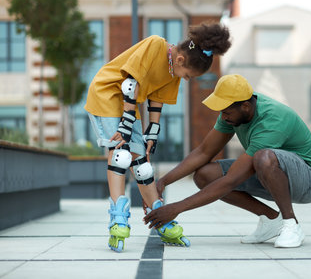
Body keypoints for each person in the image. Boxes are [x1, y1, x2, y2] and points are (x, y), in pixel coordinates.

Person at [84, 22, 231, 252]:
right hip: (108, 92)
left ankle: (158, 215)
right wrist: (125, 124)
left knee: (142, 165)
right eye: (188, 75)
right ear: (181, 60)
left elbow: (157, 99)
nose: (185, 79)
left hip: (129, 105)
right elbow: (130, 85)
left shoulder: (174, 69)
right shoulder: (155, 45)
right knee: (121, 154)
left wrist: (152, 131)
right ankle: (118, 218)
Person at [144, 74, 311, 248]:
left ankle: (291, 224)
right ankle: (272, 220)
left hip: (310, 181)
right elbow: (203, 152)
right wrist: (163, 182)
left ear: (246, 107)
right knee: (205, 175)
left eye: (226, 112)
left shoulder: (273, 119)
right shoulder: (235, 113)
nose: (223, 117)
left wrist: (177, 208)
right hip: (274, 174)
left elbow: (231, 180)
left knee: (263, 158)